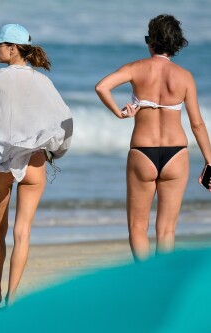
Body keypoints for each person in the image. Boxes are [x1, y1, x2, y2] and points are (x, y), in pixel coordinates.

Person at [0, 23, 73, 309]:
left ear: (13, 48)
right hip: (35, 160)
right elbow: (66, 121)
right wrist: (56, 151)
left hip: (1, 161)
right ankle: (12, 300)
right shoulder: (43, 83)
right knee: (23, 231)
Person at [95, 14, 211, 262]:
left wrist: (119, 112)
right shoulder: (185, 77)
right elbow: (197, 124)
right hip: (176, 154)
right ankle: (162, 287)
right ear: (175, 43)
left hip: (142, 152)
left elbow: (101, 87)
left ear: (152, 42)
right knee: (167, 230)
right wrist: (210, 162)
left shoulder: (135, 68)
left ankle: (143, 286)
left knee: (138, 226)